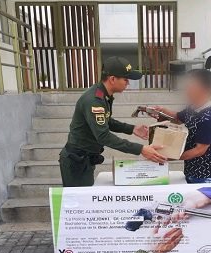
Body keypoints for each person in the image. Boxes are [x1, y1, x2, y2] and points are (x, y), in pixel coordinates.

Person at [59, 57, 167, 187]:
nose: (128, 83)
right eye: (125, 79)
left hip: (84, 159)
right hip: (76, 162)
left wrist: (132, 128)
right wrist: (141, 149)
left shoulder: (103, 95)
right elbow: (103, 136)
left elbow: (106, 121)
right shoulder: (94, 100)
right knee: (79, 200)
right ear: (112, 79)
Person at [151, 69, 211, 183]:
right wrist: (162, 111)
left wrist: (171, 156)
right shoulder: (192, 108)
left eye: (191, 87)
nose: (187, 91)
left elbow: (199, 150)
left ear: (206, 90)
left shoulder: (210, 118)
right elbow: (177, 118)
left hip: (206, 175)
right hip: (191, 170)